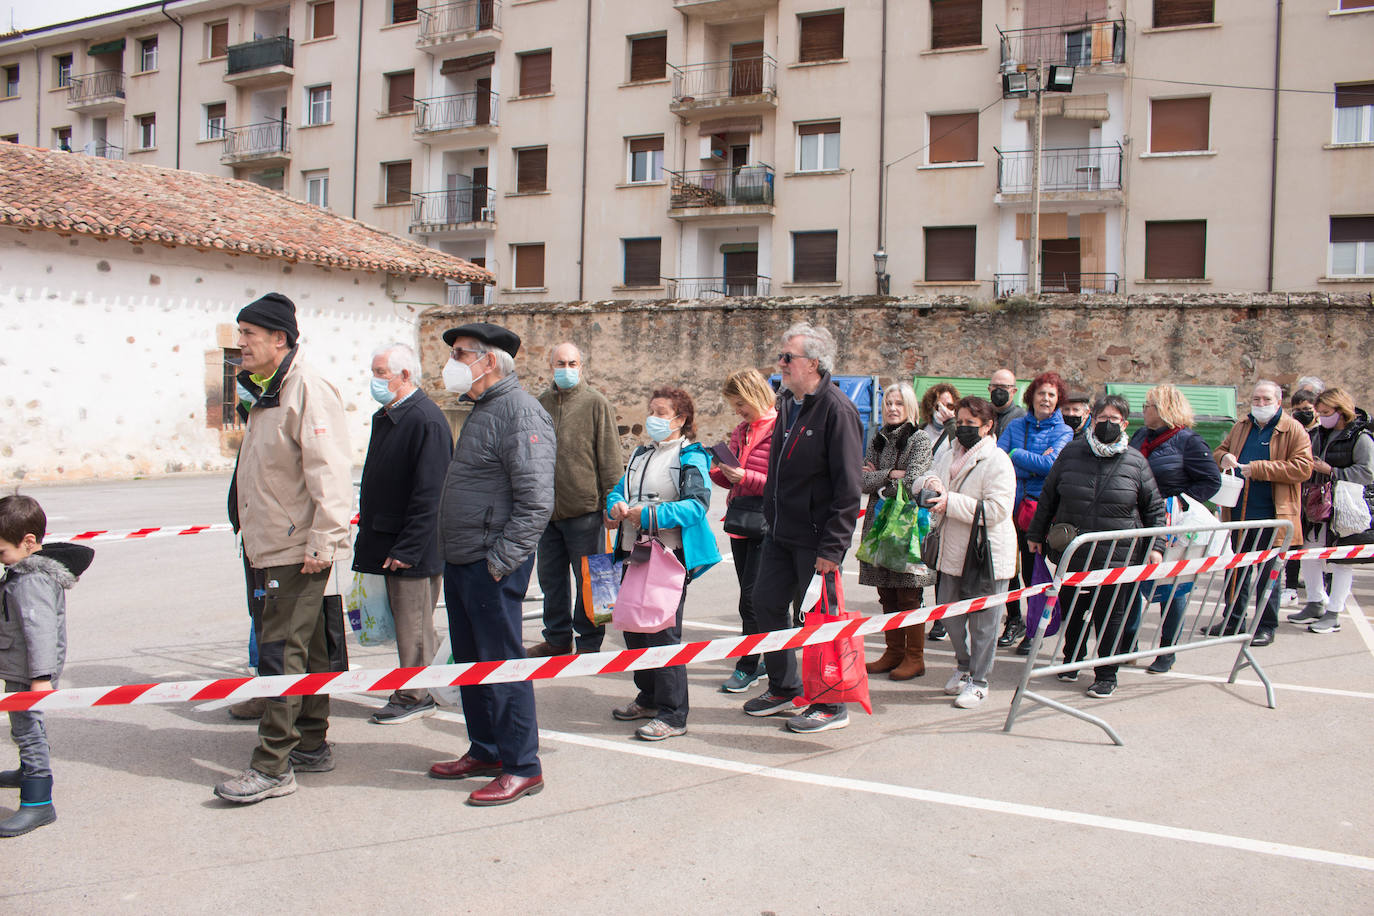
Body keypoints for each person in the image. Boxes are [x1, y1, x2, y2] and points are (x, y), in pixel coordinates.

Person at [215, 293, 354, 805]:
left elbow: (329, 472)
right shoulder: (267, 389)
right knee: (312, 647)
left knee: (280, 654)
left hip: (296, 549)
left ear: (280, 339)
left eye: (249, 334)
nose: (240, 343)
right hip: (272, 543)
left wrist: (324, 540)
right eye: (240, 332)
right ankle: (311, 744)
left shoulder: (305, 389)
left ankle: (272, 766)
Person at [428, 322, 555, 806]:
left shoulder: (520, 413)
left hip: (490, 564)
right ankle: (485, 748)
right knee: (471, 662)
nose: (452, 362)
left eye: (461, 354)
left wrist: (500, 562)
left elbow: (536, 502)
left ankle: (522, 764)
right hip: (464, 560)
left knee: (500, 664)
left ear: (489, 361)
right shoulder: (484, 408)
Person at [742, 323, 862, 733]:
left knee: (819, 619)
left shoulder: (837, 410)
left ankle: (830, 704)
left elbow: (849, 488)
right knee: (767, 604)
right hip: (780, 533)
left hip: (816, 541)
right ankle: (783, 687)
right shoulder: (788, 404)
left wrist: (833, 548)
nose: (780, 364)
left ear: (813, 362)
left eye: (787, 357)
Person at [1027, 395, 1167, 698]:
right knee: (1074, 609)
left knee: (1110, 615)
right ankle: (1072, 659)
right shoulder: (1072, 453)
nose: (1106, 425)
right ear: (1093, 420)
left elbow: (1154, 509)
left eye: (1113, 420)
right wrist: (1036, 534)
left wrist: (1157, 545)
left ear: (1125, 424)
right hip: (1074, 553)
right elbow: (1049, 496)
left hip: (1118, 556)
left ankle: (1106, 673)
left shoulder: (1136, 461)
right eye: (1102, 419)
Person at [607, 387, 720, 740]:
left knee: (662, 631)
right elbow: (619, 489)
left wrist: (652, 514)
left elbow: (696, 506)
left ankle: (674, 714)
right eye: (650, 410)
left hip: (668, 556)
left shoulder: (691, 456)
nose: (652, 418)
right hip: (633, 551)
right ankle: (649, 696)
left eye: (661, 412)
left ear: (681, 419)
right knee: (633, 628)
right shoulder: (641, 453)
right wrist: (614, 506)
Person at [353, 342, 453, 724]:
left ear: (404, 375)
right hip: (389, 540)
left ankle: (415, 693)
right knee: (411, 625)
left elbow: (432, 493)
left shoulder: (424, 420)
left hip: (411, 547)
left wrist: (409, 547)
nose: (375, 380)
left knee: (413, 625)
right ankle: (422, 682)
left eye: (381, 373)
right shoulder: (392, 415)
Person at [0, 495, 94, 837]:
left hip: (30, 671)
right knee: (25, 727)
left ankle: (38, 801)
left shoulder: (31, 580)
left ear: (27, 542)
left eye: (1, 552)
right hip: (22, 666)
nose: (1, 560)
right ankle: (28, 771)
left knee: (27, 730)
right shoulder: (23, 569)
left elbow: (39, 632)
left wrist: (40, 678)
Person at [528, 342, 623, 657]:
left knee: (595, 580)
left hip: (586, 510)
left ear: (581, 366)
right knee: (551, 581)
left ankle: (590, 642)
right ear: (550, 365)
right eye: (560, 363)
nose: (566, 369)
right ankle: (556, 639)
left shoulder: (597, 403)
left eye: (572, 363)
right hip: (548, 512)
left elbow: (610, 458)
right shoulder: (539, 403)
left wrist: (612, 501)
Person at [920, 397, 1016, 708]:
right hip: (952, 551)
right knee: (949, 613)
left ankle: (979, 680)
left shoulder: (998, 461)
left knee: (984, 623)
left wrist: (951, 503)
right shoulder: (949, 453)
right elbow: (929, 474)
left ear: (988, 427)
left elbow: (998, 510)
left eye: (970, 425)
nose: (962, 429)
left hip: (986, 556)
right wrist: (931, 482)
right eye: (959, 423)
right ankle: (963, 667)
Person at [1211, 380, 1313, 647]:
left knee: (1269, 574)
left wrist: (1259, 469)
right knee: (1238, 571)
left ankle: (1266, 626)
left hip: (1274, 515)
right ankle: (1233, 620)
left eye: (1266, 399)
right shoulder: (1242, 426)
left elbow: (1303, 468)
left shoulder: (1293, 429)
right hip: (1241, 513)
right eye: (1256, 399)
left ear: (1278, 402)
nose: (1260, 404)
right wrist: (1224, 459)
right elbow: (1220, 450)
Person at [1129, 384, 1222, 673]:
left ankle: (1167, 650)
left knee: (1172, 588)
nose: (1143, 411)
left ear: (1164, 409)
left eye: (1148, 405)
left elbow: (1211, 481)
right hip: (1138, 520)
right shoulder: (1140, 436)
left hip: (1173, 525)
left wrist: (1180, 502)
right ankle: (1126, 647)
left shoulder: (1189, 441)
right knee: (1130, 582)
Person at [708, 369, 777, 693]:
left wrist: (744, 477)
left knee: (752, 600)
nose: (738, 412)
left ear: (754, 395)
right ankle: (761, 661)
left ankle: (749, 665)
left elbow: (782, 483)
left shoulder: (780, 429)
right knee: (749, 599)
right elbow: (733, 475)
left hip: (767, 524)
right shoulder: (741, 430)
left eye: (740, 404)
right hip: (741, 523)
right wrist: (720, 472)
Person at [860, 382, 935, 680]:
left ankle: (914, 657)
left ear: (910, 408)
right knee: (886, 591)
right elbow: (860, 481)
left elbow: (916, 480)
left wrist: (879, 481)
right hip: (879, 523)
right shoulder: (877, 439)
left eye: (898, 403)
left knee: (908, 593)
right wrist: (891, 475)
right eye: (888, 403)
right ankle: (893, 652)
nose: (892, 408)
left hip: (905, 524)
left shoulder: (919, 439)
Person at [1287, 387, 1374, 634]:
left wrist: (1331, 472)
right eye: (1320, 412)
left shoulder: (1361, 437)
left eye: (1326, 412)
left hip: (1347, 507)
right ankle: (1315, 602)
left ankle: (1334, 612)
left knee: (1342, 560)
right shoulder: (1318, 434)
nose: (1321, 417)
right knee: (1309, 553)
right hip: (1317, 504)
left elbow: (1367, 473)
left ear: (1341, 410)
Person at [996, 371, 1072, 650]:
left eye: (1052, 395)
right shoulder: (1016, 426)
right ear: (1032, 396)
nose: (1046, 399)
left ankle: (1034, 629)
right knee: (1006, 569)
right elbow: (998, 458)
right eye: (1042, 393)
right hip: (1009, 506)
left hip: (1037, 511)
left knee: (1033, 571)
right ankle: (1013, 619)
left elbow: (1051, 466)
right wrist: (1032, 461)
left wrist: (1017, 456)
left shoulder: (1064, 431)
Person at [1281, 387, 1319, 608]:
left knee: (1319, 549)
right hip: (1297, 495)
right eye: (1297, 410)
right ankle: (1291, 588)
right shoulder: (1294, 431)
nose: (1301, 413)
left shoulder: (1321, 434)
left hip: (1317, 496)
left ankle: (1325, 592)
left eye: (1306, 409)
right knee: (1294, 543)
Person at [919, 382, 960, 458]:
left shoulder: (958, 431)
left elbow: (958, 451)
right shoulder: (920, 430)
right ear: (930, 407)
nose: (944, 410)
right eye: (939, 406)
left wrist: (950, 424)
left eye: (949, 406)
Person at [988, 368, 1025, 437]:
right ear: (989, 389)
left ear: (1014, 391)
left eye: (1004, 387)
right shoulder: (982, 413)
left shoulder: (1021, 418)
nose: (998, 390)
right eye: (995, 386)